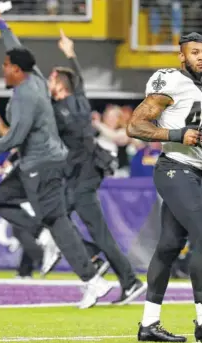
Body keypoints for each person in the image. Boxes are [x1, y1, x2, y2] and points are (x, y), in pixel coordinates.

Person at [0, 4, 112, 309]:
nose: (2, 68)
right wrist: (0, 23)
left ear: (16, 70)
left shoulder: (27, 95)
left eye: (5, 65)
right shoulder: (34, 77)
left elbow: (14, 137)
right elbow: (17, 48)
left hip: (42, 166)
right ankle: (44, 235)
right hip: (34, 164)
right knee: (1, 199)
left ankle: (93, 281)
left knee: (58, 223)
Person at [127, 32, 202, 343]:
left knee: (169, 246)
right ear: (182, 57)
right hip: (173, 168)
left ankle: (149, 324)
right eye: (194, 52)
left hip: (195, 170)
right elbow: (135, 126)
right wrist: (175, 135)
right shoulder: (169, 82)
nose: (201, 56)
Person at [43, 30, 147, 304]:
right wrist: (70, 52)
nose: (47, 82)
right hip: (82, 175)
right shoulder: (77, 99)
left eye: (51, 79)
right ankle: (94, 258)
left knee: (70, 222)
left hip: (83, 177)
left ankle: (126, 278)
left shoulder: (61, 108)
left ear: (60, 85)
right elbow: (79, 80)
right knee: (55, 217)